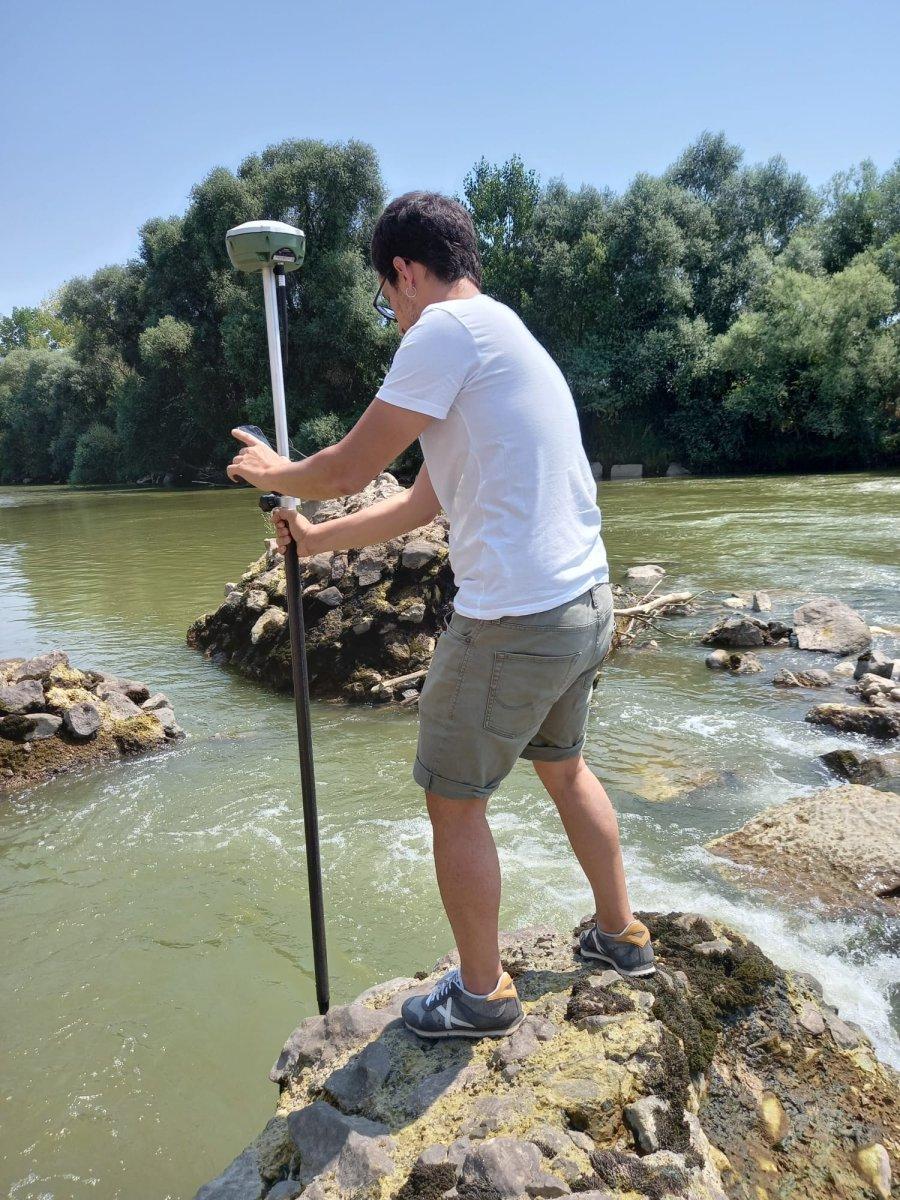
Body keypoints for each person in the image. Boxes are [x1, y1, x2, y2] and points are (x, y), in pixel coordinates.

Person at [227, 191, 654, 1041]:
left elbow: (351, 464)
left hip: (513, 623)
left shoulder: (443, 334)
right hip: (583, 606)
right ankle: (622, 938)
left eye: (389, 298)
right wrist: (314, 541)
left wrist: (278, 468)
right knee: (564, 768)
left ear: (406, 273)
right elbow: (423, 500)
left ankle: (481, 996)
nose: (393, 316)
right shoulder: (504, 333)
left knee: (453, 803)